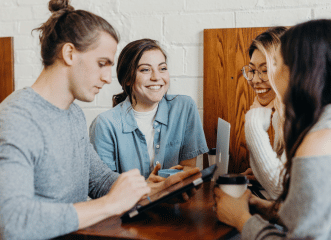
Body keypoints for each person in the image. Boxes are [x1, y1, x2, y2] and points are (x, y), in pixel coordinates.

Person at [0, 1, 198, 239]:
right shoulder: (16, 119)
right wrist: (110, 205)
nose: (107, 78)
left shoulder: (72, 114)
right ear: (69, 53)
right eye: (102, 63)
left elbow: (99, 180)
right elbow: (12, 222)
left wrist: (153, 190)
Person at [214, 19, 331, 239]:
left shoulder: (322, 140)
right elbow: (322, 217)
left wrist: (241, 219)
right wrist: (269, 210)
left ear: (300, 70)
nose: (262, 78)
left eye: (274, 65)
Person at [89, 38, 209, 180]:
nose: (156, 77)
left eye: (162, 68)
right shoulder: (104, 124)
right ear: (127, 78)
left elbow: (189, 168)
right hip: (131, 202)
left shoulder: (184, 108)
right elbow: (104, 185)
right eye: (145, 70)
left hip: (175, 200)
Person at [241, 27, 287, 199]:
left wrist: (254, 120)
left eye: (265, 70)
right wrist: (261, 175)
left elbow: (280, 190)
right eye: (252, 70)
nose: (254, 79)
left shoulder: (301, 116)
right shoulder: (280, 116)